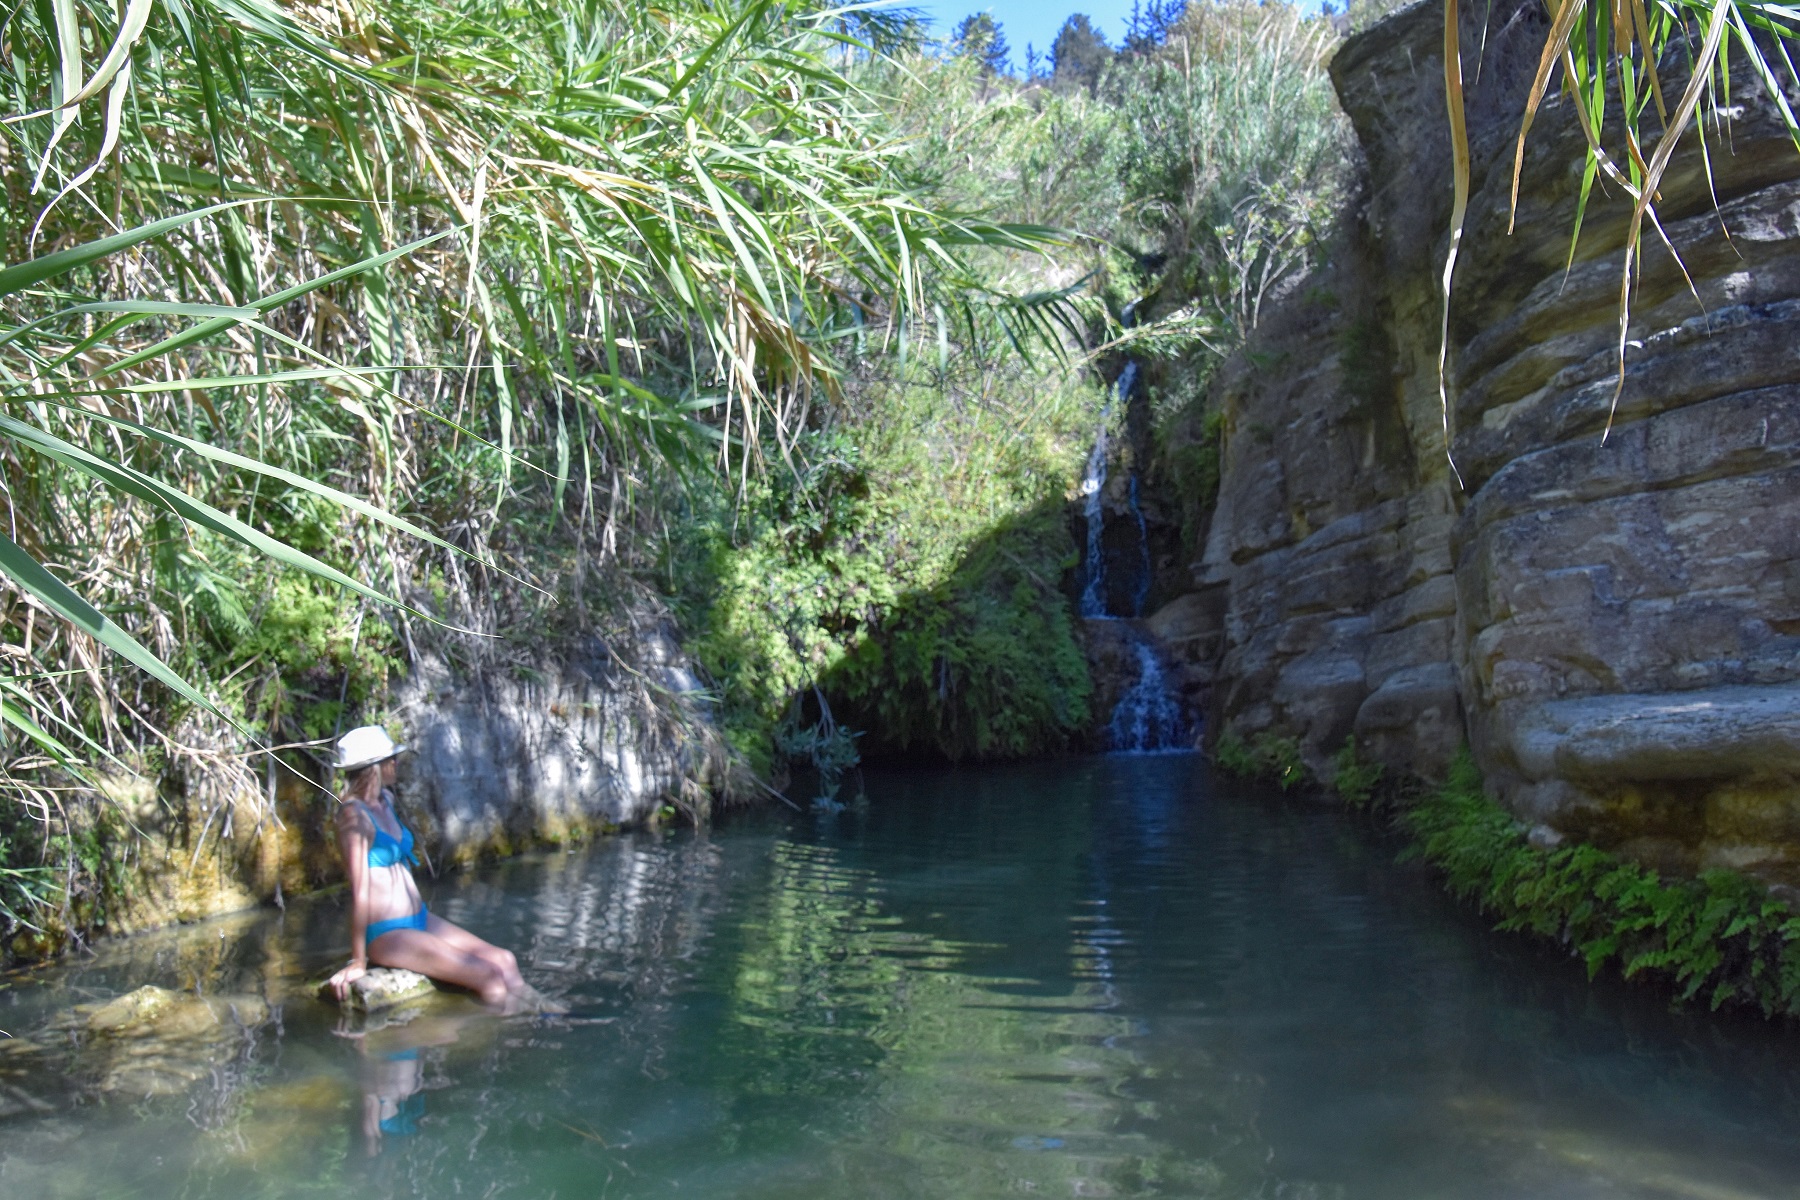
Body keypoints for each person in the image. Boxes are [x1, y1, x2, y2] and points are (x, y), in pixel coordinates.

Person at [324, 726, 529, 1010]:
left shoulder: (387, 800)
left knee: (505, 960)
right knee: (488, 976)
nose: (396, 763)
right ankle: (509, 1029)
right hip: (387, 934)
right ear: (372, 768)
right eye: (390, 759)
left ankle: (545, 1010)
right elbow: (360, 894)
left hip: (419, 918)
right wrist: (358, 961)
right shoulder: (353, 817)